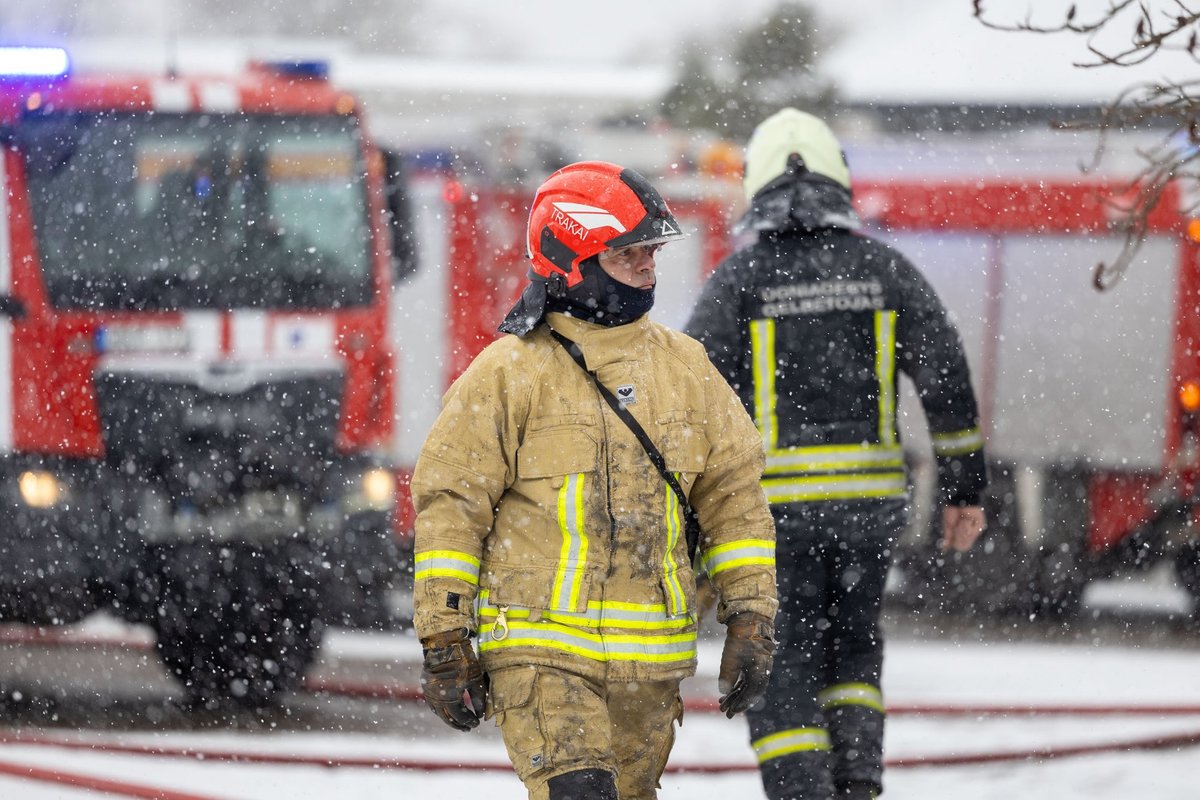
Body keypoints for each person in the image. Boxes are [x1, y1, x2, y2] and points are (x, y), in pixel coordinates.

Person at [411, 160, 779, 800]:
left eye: (652, 252)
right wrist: (445, 635)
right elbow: (451, 506)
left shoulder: (687, 369)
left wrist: (751, 617)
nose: (649, 268)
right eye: (628, 254)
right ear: (569, 260)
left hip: (649, 670)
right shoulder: (509, 374)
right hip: (539, 654)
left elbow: (736, 502)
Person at [684, 109, 988, 800]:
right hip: (868, 510)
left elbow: (690, 399)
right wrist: (964, 490)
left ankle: (800, 792)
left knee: (779, 661)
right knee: (854, 645)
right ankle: (855, 780)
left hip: (771, 517)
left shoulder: (739, 281)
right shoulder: (885, 270)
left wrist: (685, 511)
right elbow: (945, 377)